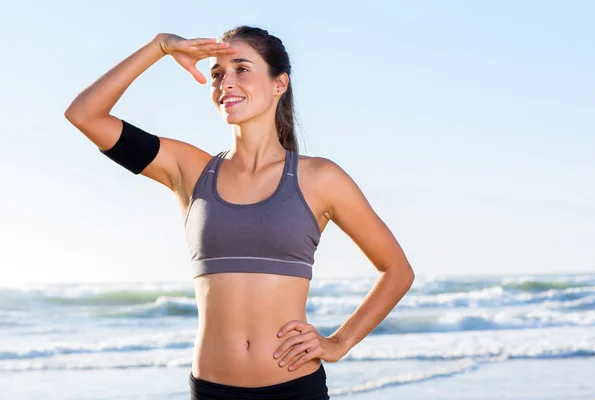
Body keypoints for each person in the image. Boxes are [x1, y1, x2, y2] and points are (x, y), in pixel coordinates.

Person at [64, 25, 415, 400]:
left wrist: (339, 342)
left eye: (241, 69)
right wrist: (160, 47)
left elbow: (397, 271)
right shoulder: (190, 169)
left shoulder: (320, 178)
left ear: (279, 84)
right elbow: (85, 114)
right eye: (217, 74)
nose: (225, 83)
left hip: (295, 391)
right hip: (212, 391)